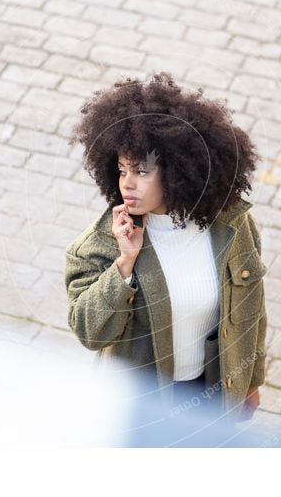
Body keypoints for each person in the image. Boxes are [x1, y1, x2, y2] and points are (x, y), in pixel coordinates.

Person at [63, 72, 268, 430]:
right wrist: (125, 264)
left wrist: (251, 380)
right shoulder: (100, 244)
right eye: (122, 169)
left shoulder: (231, 225)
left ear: (177, 172)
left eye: (142, 170)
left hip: (212, 395)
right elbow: (88, 331)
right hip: (140, 410)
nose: (127, 182)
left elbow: (253, 307)